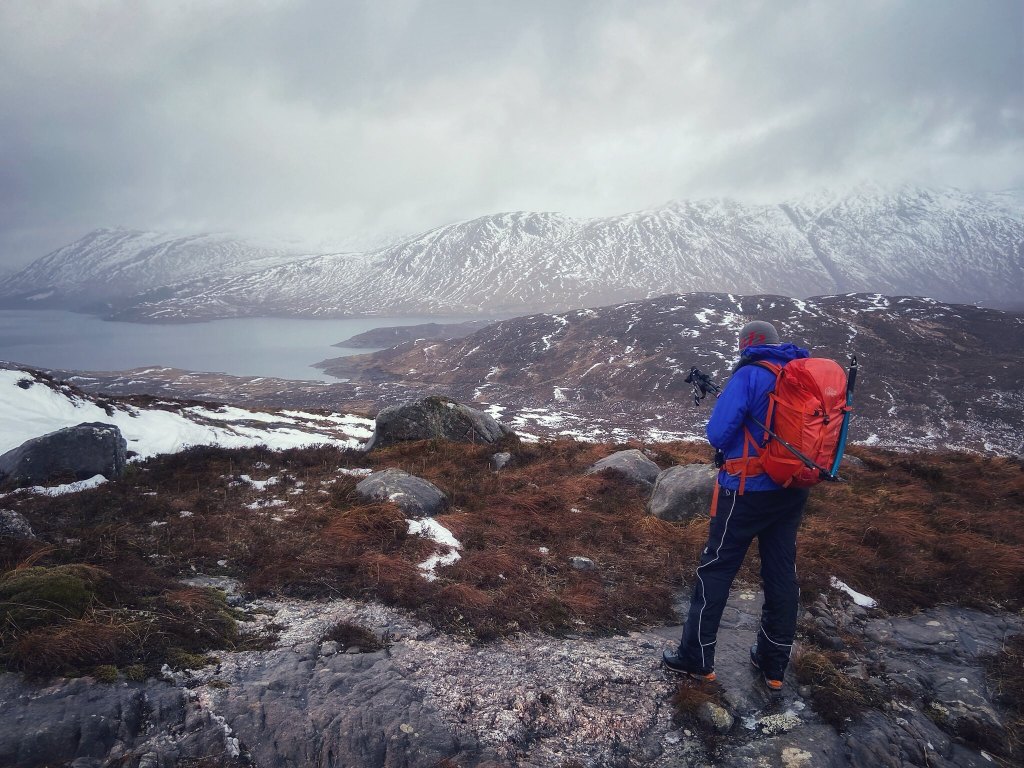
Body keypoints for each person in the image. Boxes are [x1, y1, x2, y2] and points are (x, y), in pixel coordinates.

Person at [663, 320, 811, 691]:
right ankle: (773, 665)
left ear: (746, 345)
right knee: (780, 574)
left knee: (716, 569)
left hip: (745, 491)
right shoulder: (799, 374)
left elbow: (717, 433)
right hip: (791, 489)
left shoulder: (749, 375)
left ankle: (696, 660)